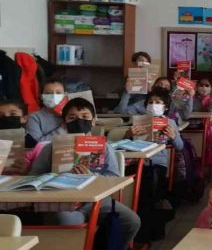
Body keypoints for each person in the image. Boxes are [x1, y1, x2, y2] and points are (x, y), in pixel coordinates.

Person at [29, 98, 141, 250]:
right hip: (62, 202)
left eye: (85, 117)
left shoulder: (104, 147)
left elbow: (114, 178)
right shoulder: (51, 147)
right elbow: (34, 176)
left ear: (93, 121)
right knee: (66, 221)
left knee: (130, 221)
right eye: (72, 117)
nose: (79, 121)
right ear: (64, 122)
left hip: (97, 201)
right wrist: (56, 176)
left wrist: (93, 177)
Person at [125, 87, 184, 244]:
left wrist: (173, 136)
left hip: (157, 164)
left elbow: (180, 146)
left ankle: (148, 232)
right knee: (134, 187)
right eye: (150, 102)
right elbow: (126, 144)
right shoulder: (139, 120)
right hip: (138, 161)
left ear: (165, 107)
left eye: (158, 102)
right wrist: (129, 135)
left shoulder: (170, 122)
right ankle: (136, 230)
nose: (153, 105)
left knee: (151, 185)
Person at [26, 78, 67, 143]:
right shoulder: (34, 117)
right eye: (48, 93)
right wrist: (62, 129)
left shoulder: (71, 114)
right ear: (41, 96)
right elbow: (36, 144)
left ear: (64, 95)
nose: (54, 96)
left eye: (58, 93)